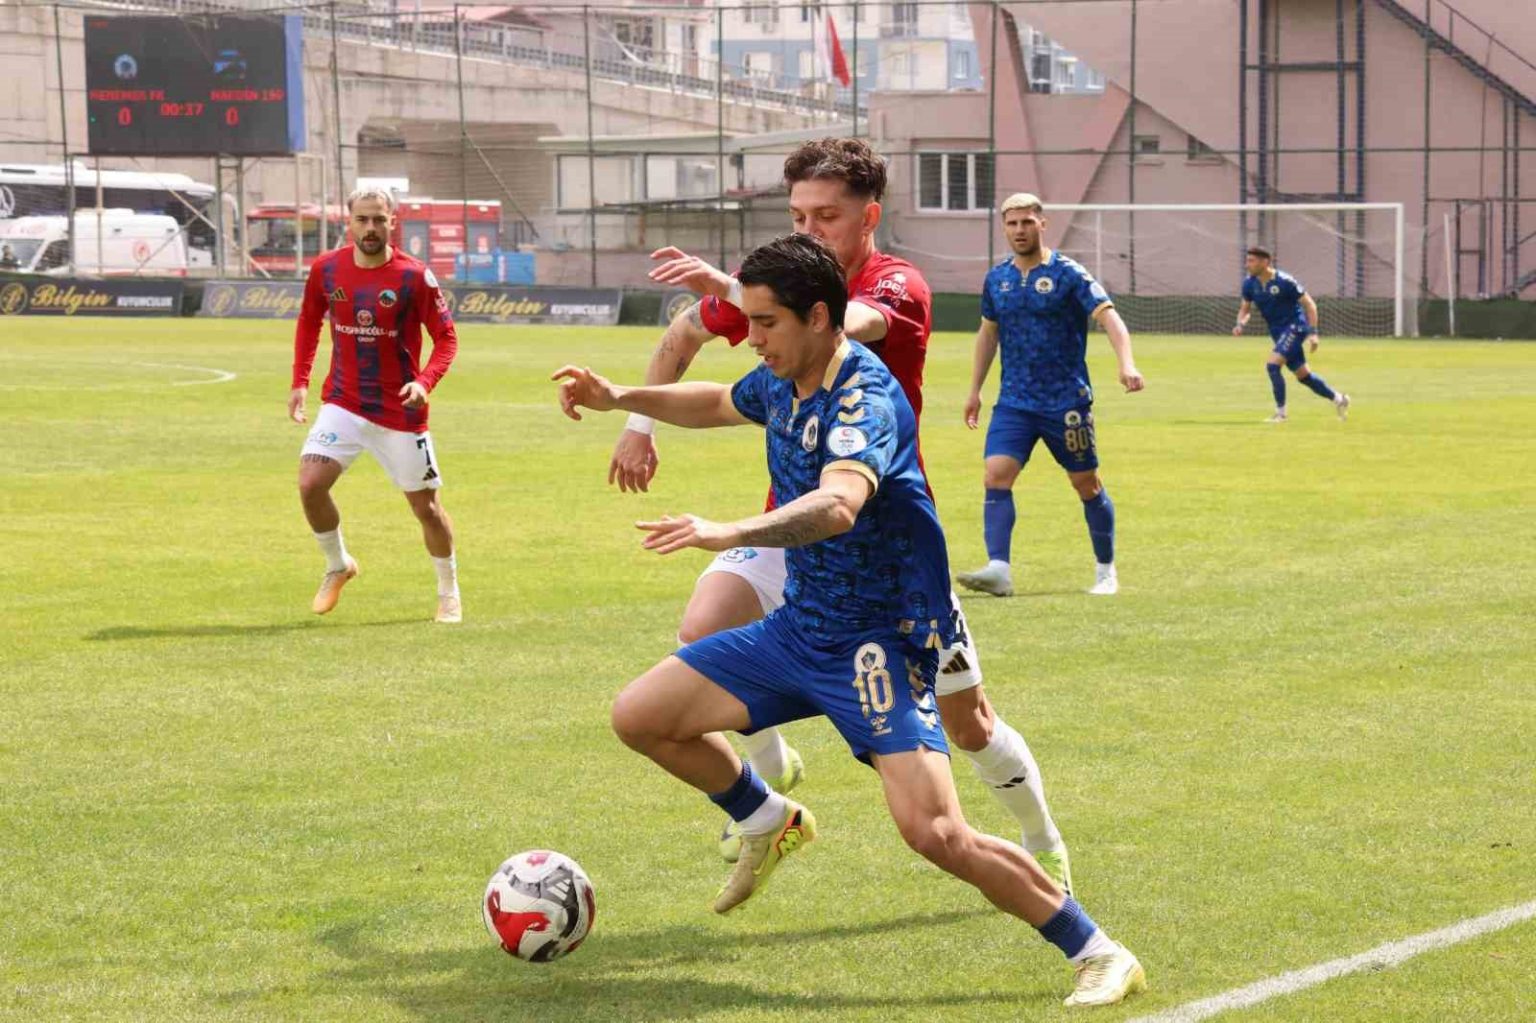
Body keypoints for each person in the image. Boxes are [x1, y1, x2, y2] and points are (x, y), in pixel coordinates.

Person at [555, 234, 1146, 1008]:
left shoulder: (862, 396)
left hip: (879, 643)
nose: (752, 337)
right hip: (800, 626)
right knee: (640, 714)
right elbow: (718, 401)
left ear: (818, 317)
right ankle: (765, 814)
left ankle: (1099, 950)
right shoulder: (784, 376)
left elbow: (838, 505)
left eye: (765, 322)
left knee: (936, 832)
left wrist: (728, 530)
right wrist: (621, 398)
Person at [620, 138, 1072, 890]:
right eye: (798, 214)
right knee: (703, 625)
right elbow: (686, 334)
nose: (809, 229)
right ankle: (769, 788)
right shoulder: (780, 281)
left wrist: (734, 290)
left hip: (888, 551)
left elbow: (848, 324)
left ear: (869, 216)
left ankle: (1042, 838)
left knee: (970, 724)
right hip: (795, 524)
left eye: (826, 215)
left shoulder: (897, 284)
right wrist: (637, 423)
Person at [957, 193, 1145, 599]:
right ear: (1004, 228)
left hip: (1066, 403)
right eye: (1012, 223)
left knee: (1086, 483)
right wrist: (975, 390)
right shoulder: (997, 279)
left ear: (1043, 224)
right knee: (996, 474)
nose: (1020, 230)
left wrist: (1126, 363)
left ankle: (1106, 571)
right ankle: (999, 570)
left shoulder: (1068, 274)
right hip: (1014, 402)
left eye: (1027, 222)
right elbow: (988, 333)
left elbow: (1110, 317)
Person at [289, 187, 462, 623]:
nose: (370, 228)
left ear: (392, 223)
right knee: (310, 484)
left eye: (379, 220)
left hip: (400, 412)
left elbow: (446, 339)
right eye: (362, 219)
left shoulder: (414, 277)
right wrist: (300, 382)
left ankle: (448, 591)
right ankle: (338, 565)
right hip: (344, 402)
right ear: (348, 222)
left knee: (426, 509)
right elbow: (309, 322)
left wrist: (424, 382)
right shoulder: (326, 269)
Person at [1234, 247, 1351, 423]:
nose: (1247, 264)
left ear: (1265, 262)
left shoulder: (1285, 281)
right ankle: (1340, 400)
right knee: (1304, 376)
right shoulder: (1249, 284)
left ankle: (1281, 414)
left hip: (1296, 327)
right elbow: (1245, 309)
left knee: (1272, 366)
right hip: (1277, 332)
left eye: (1251, 261)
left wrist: (1313, 333)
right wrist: (1240, 323)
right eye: (1247, 260)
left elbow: (1310, 305)